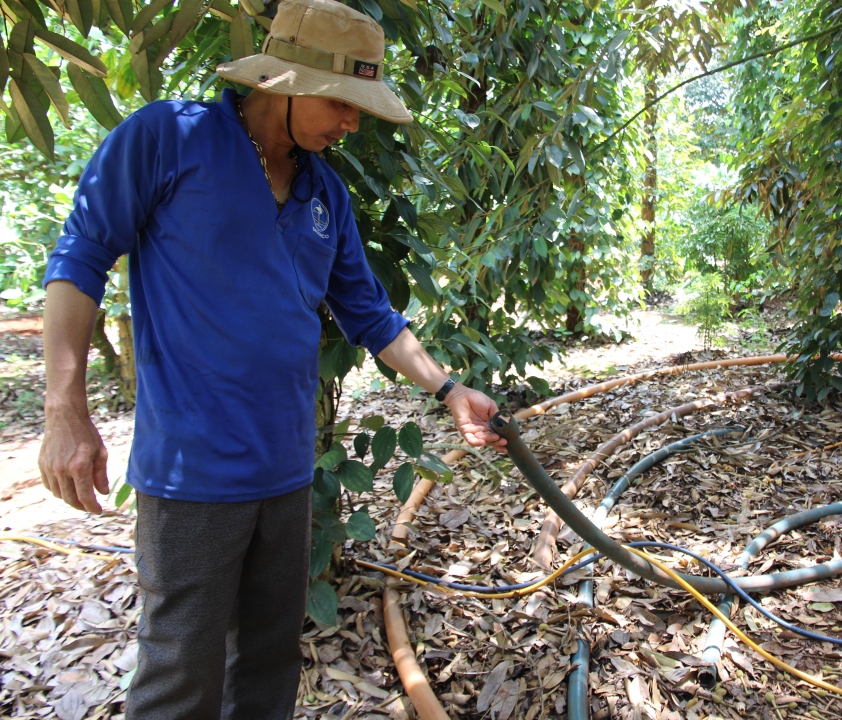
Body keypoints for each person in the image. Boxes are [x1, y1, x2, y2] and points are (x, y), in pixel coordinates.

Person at [36, 0, 504, 716]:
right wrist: (64, 409)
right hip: (194, 477)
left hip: (286, 474)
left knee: (266, 665)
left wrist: (448, 391)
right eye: (341, 103)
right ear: (282, 82)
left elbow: (370, 315)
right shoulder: (169, 140)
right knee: (179, 674)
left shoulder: (326, 192)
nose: (351, 124)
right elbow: (81, 258)